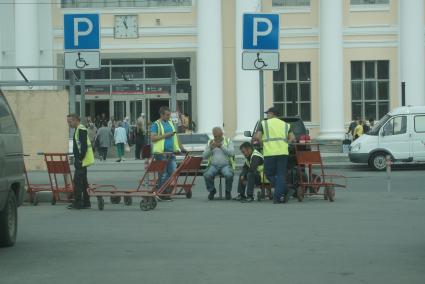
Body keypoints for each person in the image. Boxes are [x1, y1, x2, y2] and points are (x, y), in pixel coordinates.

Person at [254, 106, 295, 204]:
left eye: (268, 113)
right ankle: (284, 190)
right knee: (280, 174)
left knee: (268, 174)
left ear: (272, 114)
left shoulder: (263, 123)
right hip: (283, 152)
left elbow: (258, 137)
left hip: (270, 152)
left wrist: (262, 143)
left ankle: (277, 196)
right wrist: (286, 144)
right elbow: (292, 138)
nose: (267, 115)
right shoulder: (285, 124)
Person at [150, 106, 185, 192]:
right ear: (161, 114)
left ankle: (161, 189)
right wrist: (166, 135)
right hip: (160, 153)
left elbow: (175, 136)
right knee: (163, 173)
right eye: (167, 115)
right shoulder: (156, 124)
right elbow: (153, 138)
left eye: (169, 115)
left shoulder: (170, 123)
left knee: (172, 172)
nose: (169, 116)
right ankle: (162, 191)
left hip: (171, 152)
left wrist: (181, 148)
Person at [66, 113, 95, 209]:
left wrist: (79, 158)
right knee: (83, 182)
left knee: (78, 182)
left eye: (70, 122)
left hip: (81, 161)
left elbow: (84, 146)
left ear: (75, 120)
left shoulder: (81, 129)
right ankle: (86, 202)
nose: (69, 124)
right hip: (82, 160)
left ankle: (78, 203)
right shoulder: (78, 129)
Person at [202, 127, 235, 200]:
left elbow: (232, 153)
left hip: (225, 165)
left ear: (222, 134)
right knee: (207, 175)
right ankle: (212, 190)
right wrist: (210, 148)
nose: (217, 138)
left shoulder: (228, 141)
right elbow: (204, 156)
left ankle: (228, 191)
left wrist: (221, 146)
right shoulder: (210, 142)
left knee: (229, 175)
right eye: (215, 136)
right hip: (214, 166)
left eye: (218, 136)